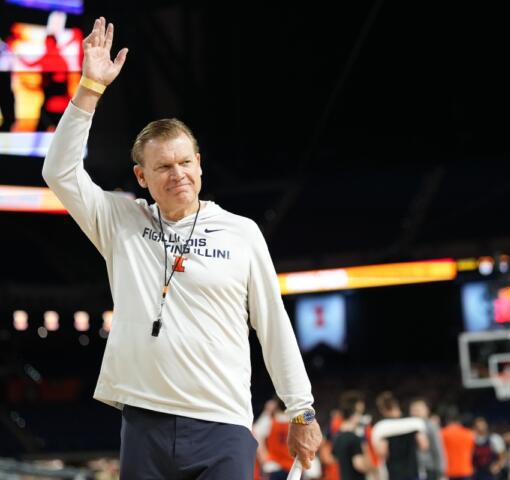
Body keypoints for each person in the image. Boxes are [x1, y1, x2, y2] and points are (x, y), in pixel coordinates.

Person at [42, 17, 322, 479]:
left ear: (200, 166)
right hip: (144, 423)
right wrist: (90, 88)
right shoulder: (120, 221)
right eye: (165, 166)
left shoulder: (241, 232)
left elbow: (273, 325)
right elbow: (60, 173)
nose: (179, 175)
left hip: (224, 426)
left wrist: (301, 410)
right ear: (141, 177)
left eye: (186, 162)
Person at [373, 391, 428, 480]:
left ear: (382, 409)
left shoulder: (382, 427)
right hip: (413, 471)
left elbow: (382, 452)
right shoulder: (413, 422)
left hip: (394, 474)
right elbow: (424, 445)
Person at [332, 391, 376, 480]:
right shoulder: (354, 438)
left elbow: (334, 458)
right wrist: (372, 468)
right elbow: (359, 465)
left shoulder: (337, 436)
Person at [409, 398, 447, 480]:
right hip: (414, 469)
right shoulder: (409, 427)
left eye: (418, 410)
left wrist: (441, 471)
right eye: (413, 410)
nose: (416, 413)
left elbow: (438, 448)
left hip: (429, 468)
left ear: (426, 410)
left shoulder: (431, 426)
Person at [441, 408, 475, 480]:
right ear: (459, 420)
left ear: (447, 419)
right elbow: (472, 452)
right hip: (465, 470)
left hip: (448, 472)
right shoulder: (469, 433)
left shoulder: (442, 433)